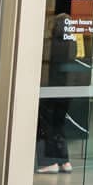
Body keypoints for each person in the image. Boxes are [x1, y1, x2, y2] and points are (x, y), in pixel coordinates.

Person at [36, 14, 77, 173]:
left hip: (50, 91)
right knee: (59, 126)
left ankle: (50, 162)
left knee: (47, 127)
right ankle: (64, 161)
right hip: (66, 92)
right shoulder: (72, 44)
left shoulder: (49, 44)